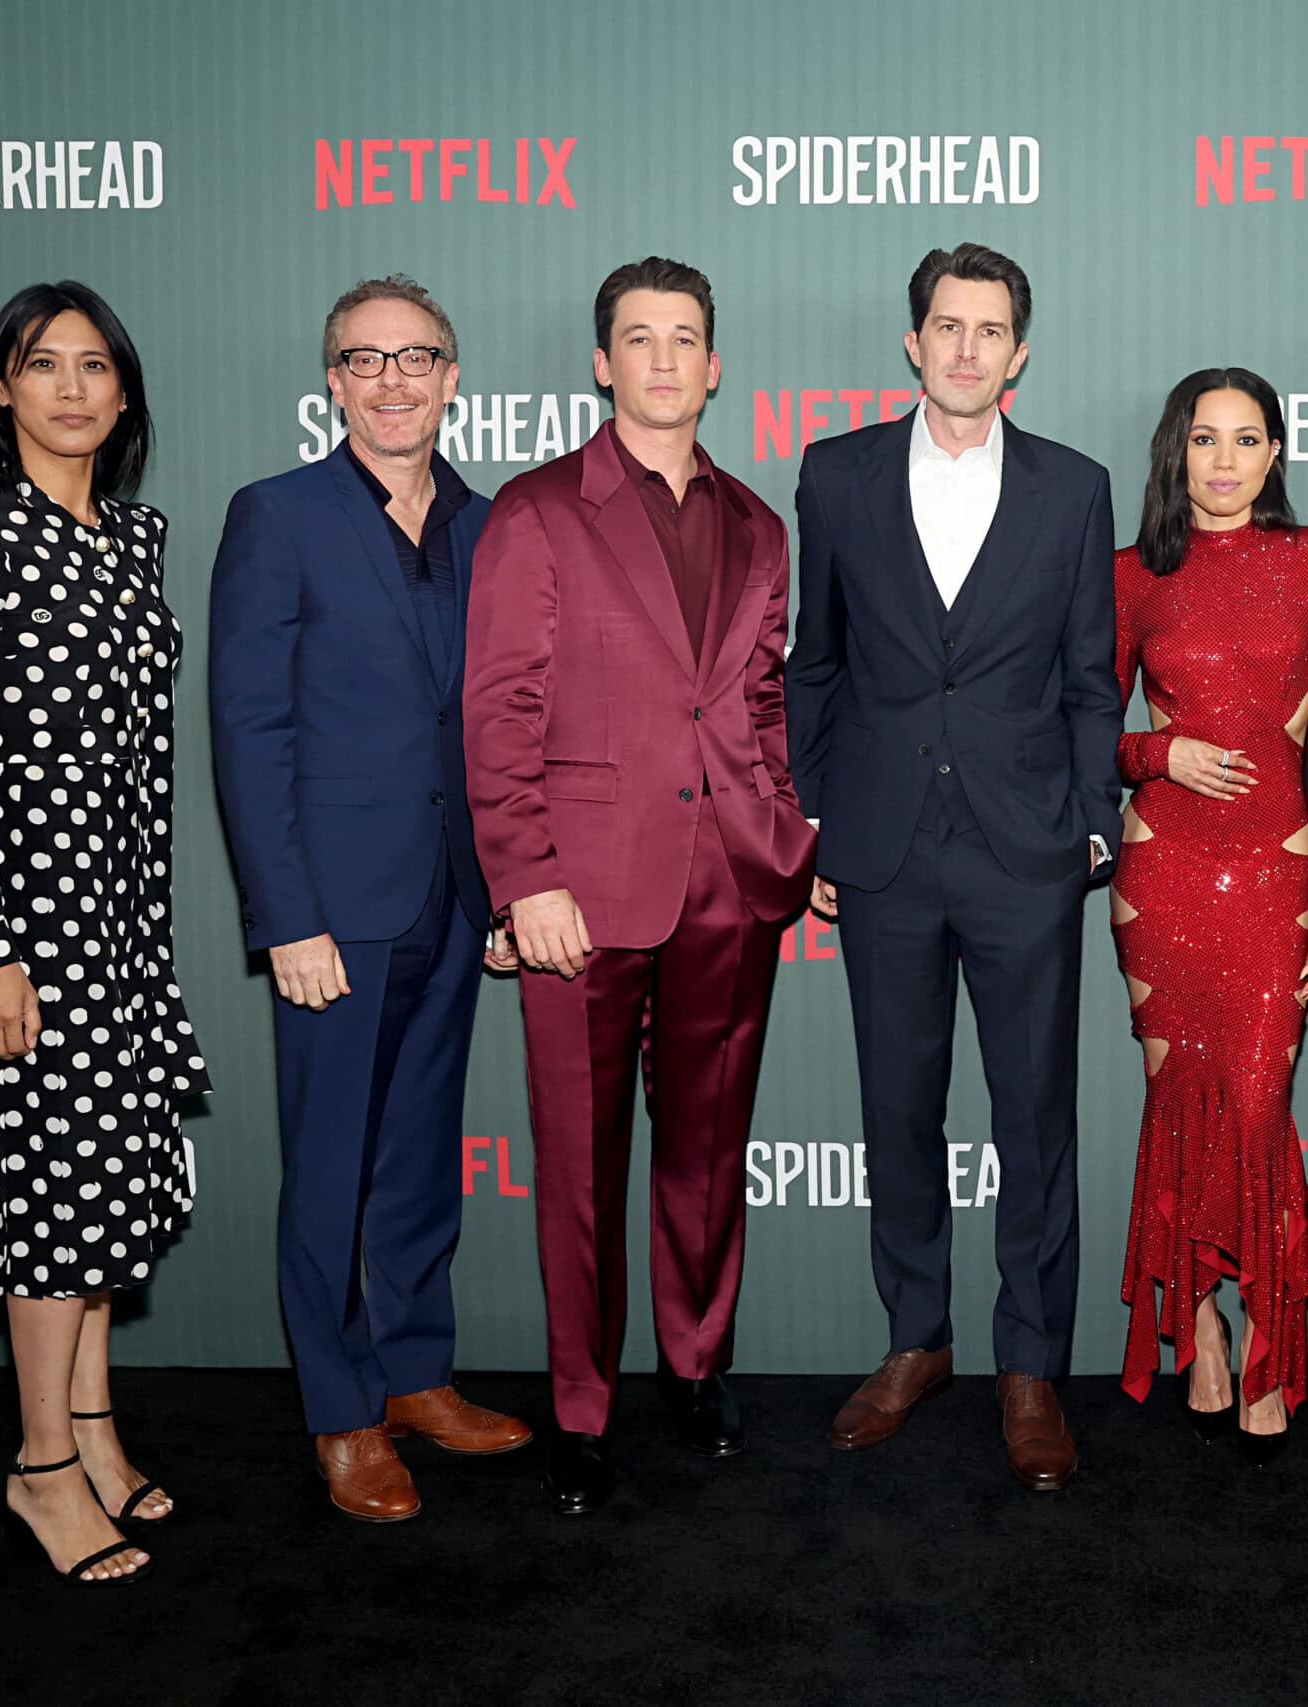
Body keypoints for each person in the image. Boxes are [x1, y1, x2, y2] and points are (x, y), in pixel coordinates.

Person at [466, 257, 816, 1516]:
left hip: (730, 881)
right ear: (602, 363)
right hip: (579, 897)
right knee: (578, 1165)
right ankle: (578, 1406)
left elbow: (760, 704)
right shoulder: (538, 510)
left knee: (708, 1148)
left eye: (686, 340)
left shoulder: (759, 524)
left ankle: (694, 1360)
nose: (664, 359)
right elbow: (499, 709)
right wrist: (523, 878)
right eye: (638, 339)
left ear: (715, 367)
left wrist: (786, 831)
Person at [788, 243, 1122, 1492]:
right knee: (898, 1107)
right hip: (879, 847)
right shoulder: (836, 472)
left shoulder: (1072, 489)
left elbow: (1093, 677)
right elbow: (810, 663)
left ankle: (1030, 1363)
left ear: (1018, 354)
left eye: (992, 330)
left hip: (1025, 849)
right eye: (948, 325)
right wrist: (815, 820)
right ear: (913, 342)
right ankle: (915, 1338)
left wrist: (1091, 824)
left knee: (1035, 1118)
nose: (969, 348)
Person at [0, 281, 207, 1583]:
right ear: (2, 389)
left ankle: (91, 1424)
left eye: (95, 366)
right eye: (43, 364)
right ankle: (38, 1467)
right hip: (25, 929)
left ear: (123, 395)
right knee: (48, 1203)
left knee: (102, 1192)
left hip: (123, 923)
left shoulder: (133, 541)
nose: (72, 386)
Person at [211, 275, 531, 1524]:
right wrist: (285, 915)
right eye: (365, 359)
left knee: (416, 1158)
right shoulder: (277, 516)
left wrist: (505, 890)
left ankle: (412, 1375)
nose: (394, 380)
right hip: (332, 911)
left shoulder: (492, 524)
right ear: (333, 382)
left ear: (454, 377)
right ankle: (340, 1413)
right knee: (330, 1163)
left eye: (418, 357)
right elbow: (250, 729)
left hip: (454, 898)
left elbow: (506, 720)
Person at [1111, 369, 1308, 1464]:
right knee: (1178, 1105)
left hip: (1275, 881)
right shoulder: (1132, 574)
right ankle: (1201, 1326)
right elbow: (1074, 732)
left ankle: (1272, 1337)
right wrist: (1155, 750)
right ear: (1176, 454)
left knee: (1259, 1106)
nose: (1222, 461)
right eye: (1202, 440)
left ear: (1275, 454)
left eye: (1245, 439)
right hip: (1160, 876)